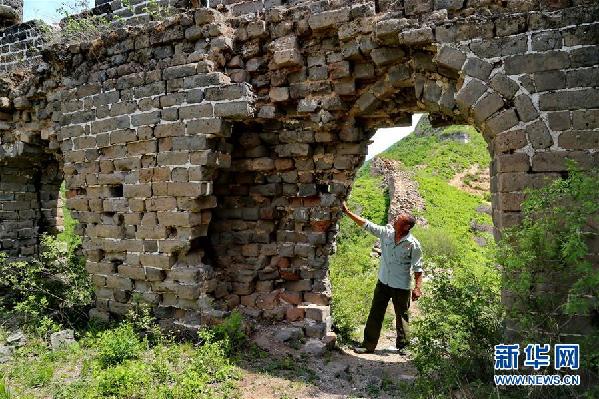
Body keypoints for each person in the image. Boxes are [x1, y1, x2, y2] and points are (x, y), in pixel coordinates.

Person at [341, 202, 423, 354]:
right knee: (375, 313)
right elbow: (367, 225)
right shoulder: (387, 233)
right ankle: (368, 345)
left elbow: (418, 268)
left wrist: (417, 288)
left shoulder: (413, 244)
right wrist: (347, 212)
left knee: (402, 316)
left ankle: (404, 347)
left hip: (401, 285)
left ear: (406, 227)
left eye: (398, 220)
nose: (395, 220)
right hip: (383, 282)